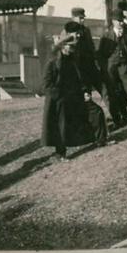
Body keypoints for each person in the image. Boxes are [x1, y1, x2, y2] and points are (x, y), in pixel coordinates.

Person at [42, 33, 93, 161]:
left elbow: (78, 78)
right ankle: (60, 153)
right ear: (63, 47)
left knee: (71, 124)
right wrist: (58, 96)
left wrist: (84, 91)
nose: (73, 49)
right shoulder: (52, 62)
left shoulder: (71, 60)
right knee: (60, 127)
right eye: (70, 46)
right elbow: (46, 85)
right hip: (57, 101)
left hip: (71, 97)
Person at [68, 7, 103, 95]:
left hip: (89, 65)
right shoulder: (68, 30)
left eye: (83, 18)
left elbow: (91, 46)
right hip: (78, 67)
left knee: (102, 87)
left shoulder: (86, 30)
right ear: (73, 18)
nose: (82, 20)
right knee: (85, 92)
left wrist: (95, 60)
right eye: (80, 18)